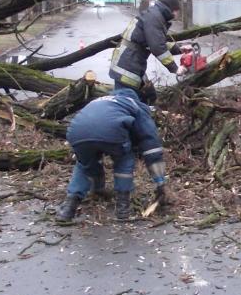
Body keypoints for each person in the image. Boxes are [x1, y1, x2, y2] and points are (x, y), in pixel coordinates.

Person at [56, 82, 169, 222]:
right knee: (124, 160)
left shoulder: (102, 100)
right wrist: (160, 181)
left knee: (85, 165)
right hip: (111, 132)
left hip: (76, 132)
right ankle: (123, 209)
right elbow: (152, 146)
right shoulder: (137, 105)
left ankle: (68, 208)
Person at [110, 0, 182, 91]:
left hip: (128, 61)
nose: (178, 14)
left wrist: (179, 49)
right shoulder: (155, 18)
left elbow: (155, 42)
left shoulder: (154, 15)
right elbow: (157, 47)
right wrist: (175, 69)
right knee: (126, 99)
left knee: (134, 98)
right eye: (177, 11)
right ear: (171, 9)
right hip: (128, 65)